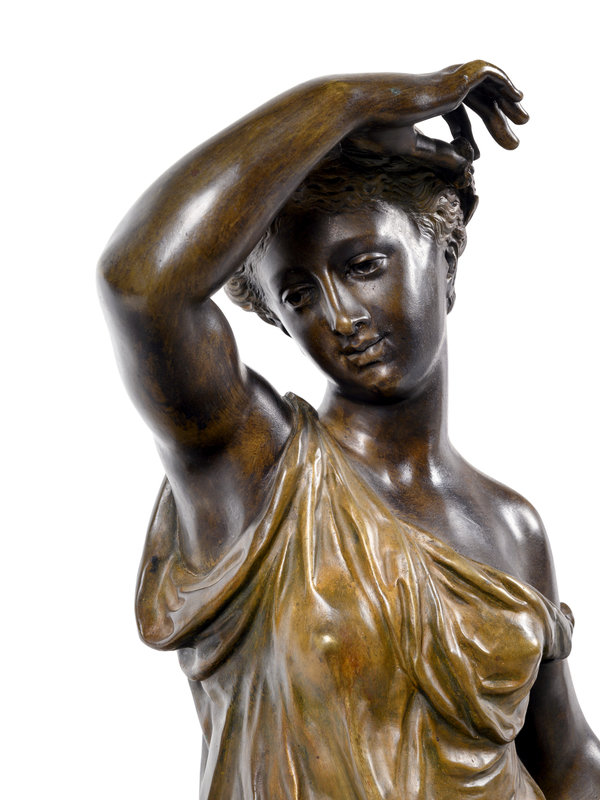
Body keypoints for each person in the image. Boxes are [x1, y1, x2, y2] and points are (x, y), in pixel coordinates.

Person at [98, 61, 600, 799]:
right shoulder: (257, 472)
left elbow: (569, 761)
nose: (339, 317)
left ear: (446, 256)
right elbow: (143, 283)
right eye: (299, 296)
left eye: (364, 265)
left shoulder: (510, 525)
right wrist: (350, 101)